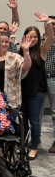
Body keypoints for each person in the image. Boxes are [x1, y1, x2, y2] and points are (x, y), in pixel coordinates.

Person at [19, 11, 54, 160]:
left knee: (35, 121)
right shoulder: (21, 50)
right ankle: (22, 145)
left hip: (37, 92)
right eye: (29, 36)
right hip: (22, 91)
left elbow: (51, 37)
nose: (32, 39)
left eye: (35, 37)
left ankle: (33, 148)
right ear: (25, 37)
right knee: (23, 121)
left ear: (38, 38)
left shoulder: (42, 50)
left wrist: (47, 23)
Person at [0, 33, 32, 109]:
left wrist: (26, 51)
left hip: (10, 98)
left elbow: (26, 66)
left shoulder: (14, 57)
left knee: (10, 120)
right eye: (1, 41)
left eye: (6, 42)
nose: (4, 44)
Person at [39, 15, 55, 153]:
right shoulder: (37, 39)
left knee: (54, 112)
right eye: (50, 23)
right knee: (36, 112)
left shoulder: (52, 40)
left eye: (54, 23)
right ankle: (35, 139)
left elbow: (51, 38)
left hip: (53, 79)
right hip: (38, 79)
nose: (52, 25)